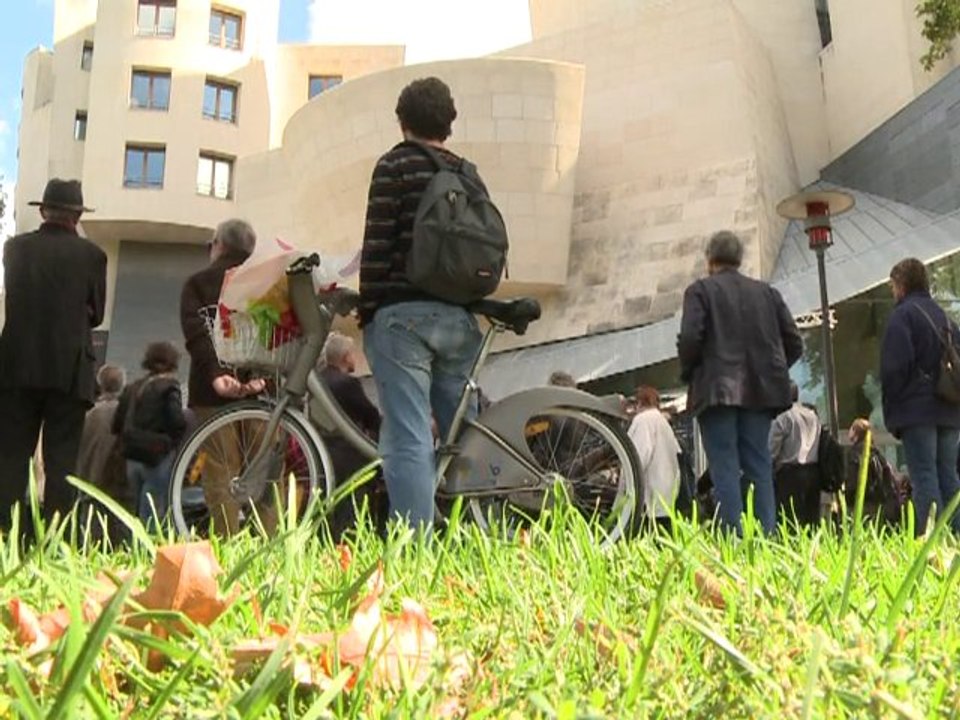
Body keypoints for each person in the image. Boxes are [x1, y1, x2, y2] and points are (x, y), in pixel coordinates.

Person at [359, 77, 484, 529]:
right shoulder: (468, 173)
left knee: (409, 434)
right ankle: (478, 533)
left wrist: (368, 306)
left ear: (402, 120)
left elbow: (377, 243)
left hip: (404, 319)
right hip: (460, 320)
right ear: (448, 124)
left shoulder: (394, 166)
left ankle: (413, 547)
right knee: (464, 436)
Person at [677, 230, 802, 535]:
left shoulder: (700, 291)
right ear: (739, 259)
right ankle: (766, 537)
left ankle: (732, 538)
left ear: (709, 259)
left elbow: (691, 338)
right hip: (760, 394)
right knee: (759, 465)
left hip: (717, 392)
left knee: (725, 468)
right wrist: (771, 371)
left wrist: (690, 372)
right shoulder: (767, 293)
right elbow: (794, 342)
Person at [0, 178, 107, 534]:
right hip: (70, 368)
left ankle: (6, 534)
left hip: (16, 364)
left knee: (12, 456)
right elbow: (97, 313)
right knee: (62, 460)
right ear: (77, 217)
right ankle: (55, 538)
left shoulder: (15, 248)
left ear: (43, 211)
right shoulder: (93, 256)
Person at [180, 219, 263, 534]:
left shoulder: (198, 282)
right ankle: (273, 546)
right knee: (267, 468)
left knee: (221, 470)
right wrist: (261, 379)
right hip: (261, 391)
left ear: (219, 245)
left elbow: (196, 332)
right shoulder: (264, 280)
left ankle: (227, 543)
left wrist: (216, 373)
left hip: (211, 392)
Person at [880, 258, 960, 535]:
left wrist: (894, 408)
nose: (892, 292)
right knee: (949, 476)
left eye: (892, 286)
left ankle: (932, 542)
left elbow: (894, 369)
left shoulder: (902, 316)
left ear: (901, 285)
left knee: (924, 475)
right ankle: (956, 537)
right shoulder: (947, 320)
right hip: (950, 411)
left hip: (917, 412)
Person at [113, 342, 186, 526]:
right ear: (173, 362)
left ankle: (130, 549)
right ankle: (146, 552)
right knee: (152, 514)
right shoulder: (170, 387)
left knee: (134, 510)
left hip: (132, 455)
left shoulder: (132, 387)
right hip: (158, 457)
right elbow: (176, 421)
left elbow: (116, 423)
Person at [318, 332, 383, 536]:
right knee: (352, 502)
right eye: (353, 354)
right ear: (346, 357)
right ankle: (351, 537)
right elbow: (371, 416)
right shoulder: (348, 384)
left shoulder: (319, 381)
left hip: (322, 449)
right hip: (349, 452)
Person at [627, 386, 680, 530]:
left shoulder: (643, 420)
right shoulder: (663, 423)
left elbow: (636, 457)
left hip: (650, 498)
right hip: (667, 495)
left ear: (638, 403)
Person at [769, 382, 822, 528]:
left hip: (789, 474)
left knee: (789, 520)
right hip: (813, 470)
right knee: (811, 520)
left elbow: (772, 451)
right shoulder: (813, 416)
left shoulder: (783, 417)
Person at [846, 418, 909, 526]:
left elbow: (852, 483)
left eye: (852, 428)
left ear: (856, 432)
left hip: (862, 503)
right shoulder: (877, 454)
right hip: (879, 503)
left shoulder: (854, 454)